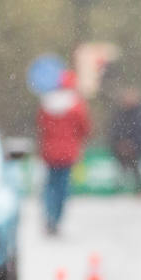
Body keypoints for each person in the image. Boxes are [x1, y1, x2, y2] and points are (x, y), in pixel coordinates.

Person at [37, 69, 91, 234]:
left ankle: (49, 216)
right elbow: (84, 128)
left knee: (50, 186)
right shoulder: (77, 106)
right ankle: (56, 219)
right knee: (62, 187)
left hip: (50, 152)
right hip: (68, 152)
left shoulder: (47, 104)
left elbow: (41, 126)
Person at [107, 86, 141, 193]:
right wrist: (120, 142)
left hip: (136, 148)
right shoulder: (120, 113)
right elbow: (115, 129)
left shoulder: (139, 113)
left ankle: (140, 189)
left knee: (136, 168)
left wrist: (132, 143)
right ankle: (119, 188)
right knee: (122, 168)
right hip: (121, 147)